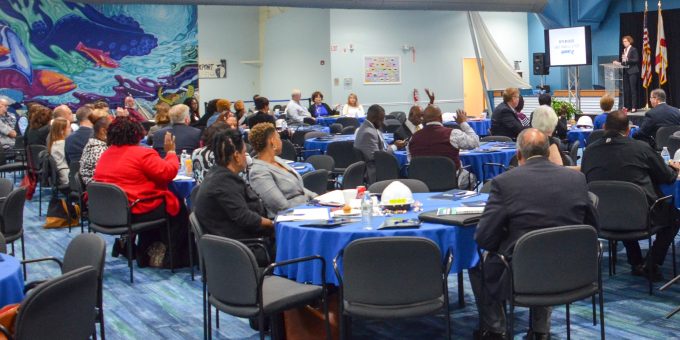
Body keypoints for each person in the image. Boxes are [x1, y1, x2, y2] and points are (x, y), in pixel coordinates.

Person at [471, 128, 598, 340]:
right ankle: (541, 331)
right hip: (574, 269)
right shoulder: (576, 179)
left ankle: (496, 329)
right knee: (546, 250)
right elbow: (593, 227)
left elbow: (484, 238)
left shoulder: (504, 183)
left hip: (522, 272)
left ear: (518, 155)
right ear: (548, 152)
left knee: (476, 261)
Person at [581, 109, 680, 280]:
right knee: (675, 216)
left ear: (604, 127)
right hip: (640, 217)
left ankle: (636, 261)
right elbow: (668, 177)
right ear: (628, 130)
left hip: (602, 218)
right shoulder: (641, 149)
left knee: (621, 201)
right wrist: (673, 167)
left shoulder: (588, 152)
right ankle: (652, 263)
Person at [94, 117, 188, 268]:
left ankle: (147, 252)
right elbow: (167, 172)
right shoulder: (141, 154)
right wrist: (170, 152)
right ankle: (175, 258)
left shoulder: (105, 154)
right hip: (134, 210)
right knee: (178, 207)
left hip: (106, 212)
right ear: (137, 133)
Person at [193, 128, 274, 263]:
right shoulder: (222, 183)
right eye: (244, 153)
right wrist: (273, 223)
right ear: (236, 156)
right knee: (295, 246)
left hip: (238, 242)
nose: (246, 157)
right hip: (242, 250)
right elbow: (245, 218)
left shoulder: (218, 175)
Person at [248, 123, 317, 217]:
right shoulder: (258, 172)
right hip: (291, 218)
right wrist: (311, 212)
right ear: (272, 141)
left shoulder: (277, 160)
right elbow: (280, 206)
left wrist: (318, 198)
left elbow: (299, 189)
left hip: (307, 209)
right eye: (279, 138)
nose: (281, 141)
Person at [408, 106, 480, 165]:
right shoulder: (453, 134)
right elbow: (475, 143)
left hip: (421, 180)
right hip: (452, 179)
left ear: (424, 119)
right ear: (441, 118)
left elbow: (410, 162)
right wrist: (463, 123)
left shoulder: (413, 138)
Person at [354, 104, 390, 183]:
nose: (382, 123)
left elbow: (381, 148)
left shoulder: (370, 128)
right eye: (381, 119)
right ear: (374, 119)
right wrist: (394, 147)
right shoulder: (368, 133)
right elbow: (378, 157)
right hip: (374, 172)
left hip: (376, 166)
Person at [79, 116, 110, 186]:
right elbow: (105, 175)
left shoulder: (93, 143)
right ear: (103, 131)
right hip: (100, 189)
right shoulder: (97, 150)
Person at [613, 35, 640, 112]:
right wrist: (618, 63)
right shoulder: (624, 50)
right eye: (623, 41)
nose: (624, 43)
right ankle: (627, 106)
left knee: (633, 90)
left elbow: (636, 60)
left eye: (625, 41)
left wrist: (627, 59)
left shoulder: (633, 49)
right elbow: (624, 62)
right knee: (626, 90)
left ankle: (634, 107)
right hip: (625, 72)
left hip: (633, 71)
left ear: (629, 41)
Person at [48, 117, 71, 185]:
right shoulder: (61, 144)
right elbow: (70, 160)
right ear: (62, 131)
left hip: (61, 174)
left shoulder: (54, 142)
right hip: (66, 176)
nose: (71, 129)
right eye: (69, 127)